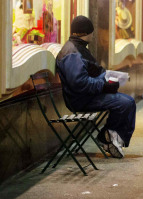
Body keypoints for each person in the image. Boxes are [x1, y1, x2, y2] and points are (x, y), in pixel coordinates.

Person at [56, 16, 136, 158]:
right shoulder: (72, 53)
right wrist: (104, 85)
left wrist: (107, 80)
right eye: (91, 32)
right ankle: (108, 136)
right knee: (126, 103)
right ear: (85, 33)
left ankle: (109, 136)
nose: (93, 35)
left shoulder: (77, 49)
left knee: (127, 102)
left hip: (86, 96)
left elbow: (89, 74)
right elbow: (80, 83)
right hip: (80, 99)